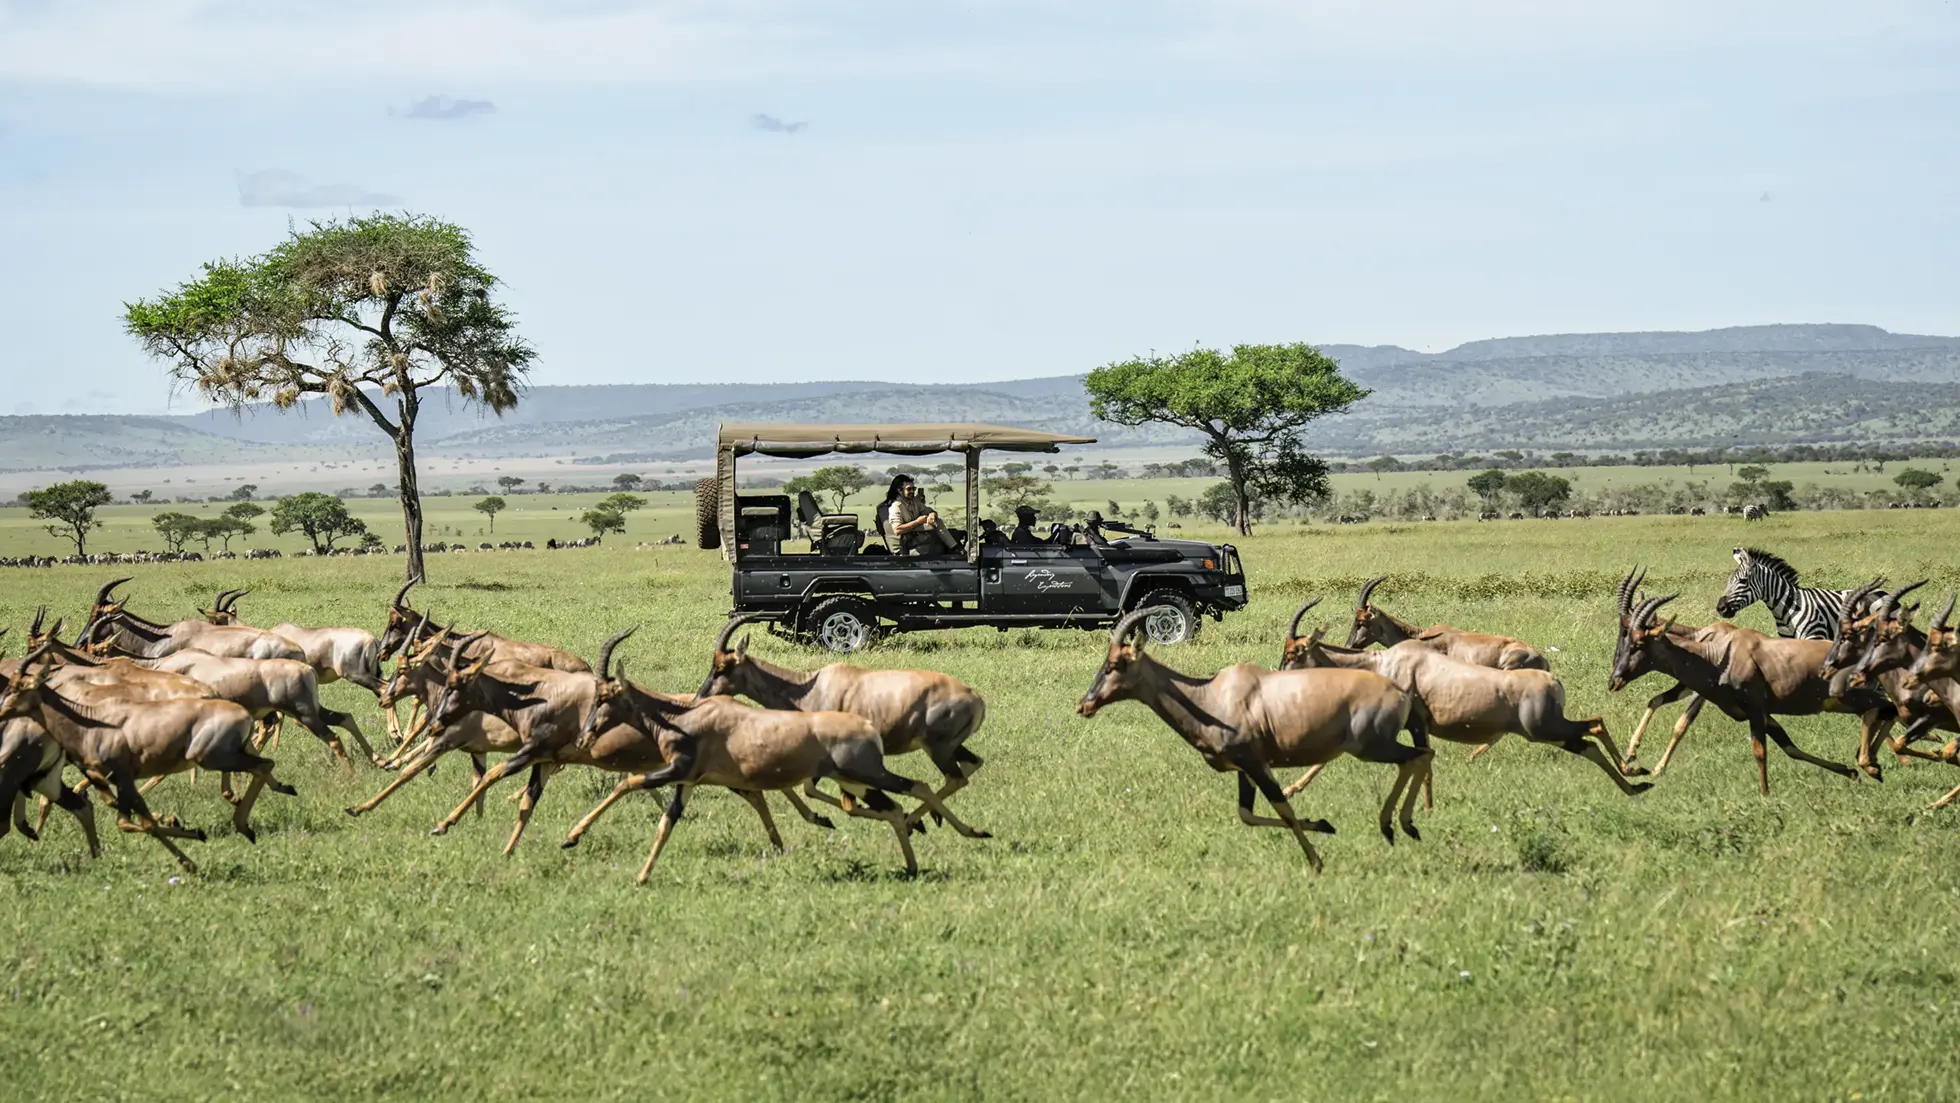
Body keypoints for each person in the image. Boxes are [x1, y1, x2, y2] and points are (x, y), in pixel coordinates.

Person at [886, 474, 958, 555]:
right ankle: (955, 548)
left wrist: (932, 515)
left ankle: (954, 547)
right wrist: (917, 522)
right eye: (909, 489)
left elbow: (930, 511)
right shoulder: (896, 506)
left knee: (938, 522)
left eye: (914, 489)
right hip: (907, 540)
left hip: (917, 533)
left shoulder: (915, 502)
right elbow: (897, 530)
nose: (912, 492)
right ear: (900, 490)